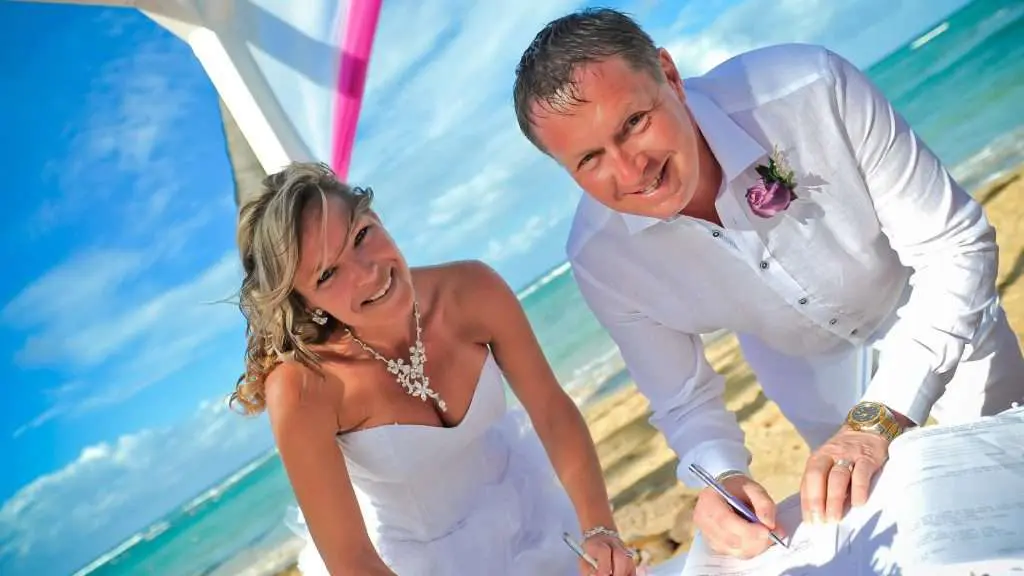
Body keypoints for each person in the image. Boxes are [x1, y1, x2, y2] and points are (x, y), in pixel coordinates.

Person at [512, 7, 1024, 560]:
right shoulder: (600, 260)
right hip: (813, 393)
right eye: (590, 158)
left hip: (946, 330)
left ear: (670, 74)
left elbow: (956, 245)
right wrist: (720, 477)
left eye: (633, 123)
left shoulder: (811, 88)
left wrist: (878, 417)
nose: (631, 171)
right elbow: (684, 400)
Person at [230, 161, 638, 575]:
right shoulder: (304, 390)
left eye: (361, 235)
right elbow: (352, 560)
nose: (368, 272)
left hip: (527, 513)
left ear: (376, 217)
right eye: (329, 273)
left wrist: (598, 527)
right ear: (306, 302)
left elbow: (551, 411)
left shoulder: (473, 290)